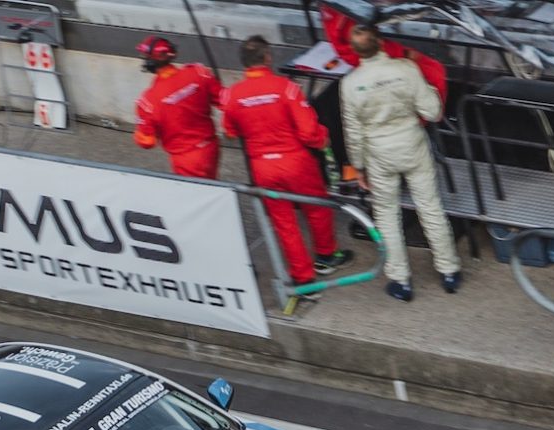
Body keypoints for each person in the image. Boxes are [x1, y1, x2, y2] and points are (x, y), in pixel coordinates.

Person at [340, 24, 461, 302]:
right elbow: (432, 112)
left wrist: (358, 167)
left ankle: (401, 281)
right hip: (413, 145)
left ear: (354, 49)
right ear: (381, 42)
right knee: (430, 207)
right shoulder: (406, 69)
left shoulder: (349, 84)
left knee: (386, 215)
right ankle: (450, 271)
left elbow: (353, 132)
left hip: (378, 154)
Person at [221, 35, 353, 292]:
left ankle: (302, 277)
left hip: (263, 167)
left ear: (244, 63)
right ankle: (326, 257)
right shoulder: (286, 88)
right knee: (317, 208)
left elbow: (230, 131)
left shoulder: (231, 95)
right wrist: (323, 139)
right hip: (295, 161)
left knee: (284, 222)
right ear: (267, 58)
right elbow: (308, 132)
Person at [133, 36, 223, 179]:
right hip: (211, 148)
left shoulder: (148, 101)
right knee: (213, 186)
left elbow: (147, 142)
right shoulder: (198, 72)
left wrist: (140, 134)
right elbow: (223, 101)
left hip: (186, 159)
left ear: (150, 62)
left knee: (197, 197)